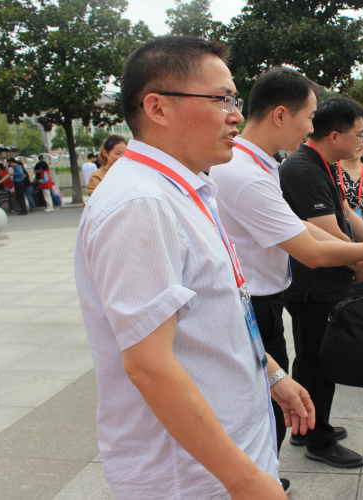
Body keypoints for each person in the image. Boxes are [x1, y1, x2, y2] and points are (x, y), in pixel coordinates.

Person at [74, 36, 316, 500]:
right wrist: (246, 482)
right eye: (221, 99)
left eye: (235, 99)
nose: (236, 115)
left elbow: (213, 315)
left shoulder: (187, 188)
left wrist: (270, 374)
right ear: (158, 108)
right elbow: (149, 366)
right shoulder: (141, 203)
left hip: (230, 451)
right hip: (192, 478)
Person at [209, 68, 363, 477]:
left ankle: (268, 469)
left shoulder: (261, 164)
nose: (310, 126)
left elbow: (305, 225)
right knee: (268, 401)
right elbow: (313, 250)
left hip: (263, 296)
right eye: (309, 116)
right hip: (255, 299)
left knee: (274, 393)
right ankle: (262, 480)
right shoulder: (248, 172)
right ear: (281, 115)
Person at [279, 97, 363, 469]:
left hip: (323, 278)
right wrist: (362, 262)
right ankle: (318, 439)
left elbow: (346, 214)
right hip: (312, 283)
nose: (362, 141)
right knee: (318, 362)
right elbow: (327, 231)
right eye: (359, 134)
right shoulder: (302, 168)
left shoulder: (323, 164)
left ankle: (306, 426)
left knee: (314, 358)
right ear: (335, 135)